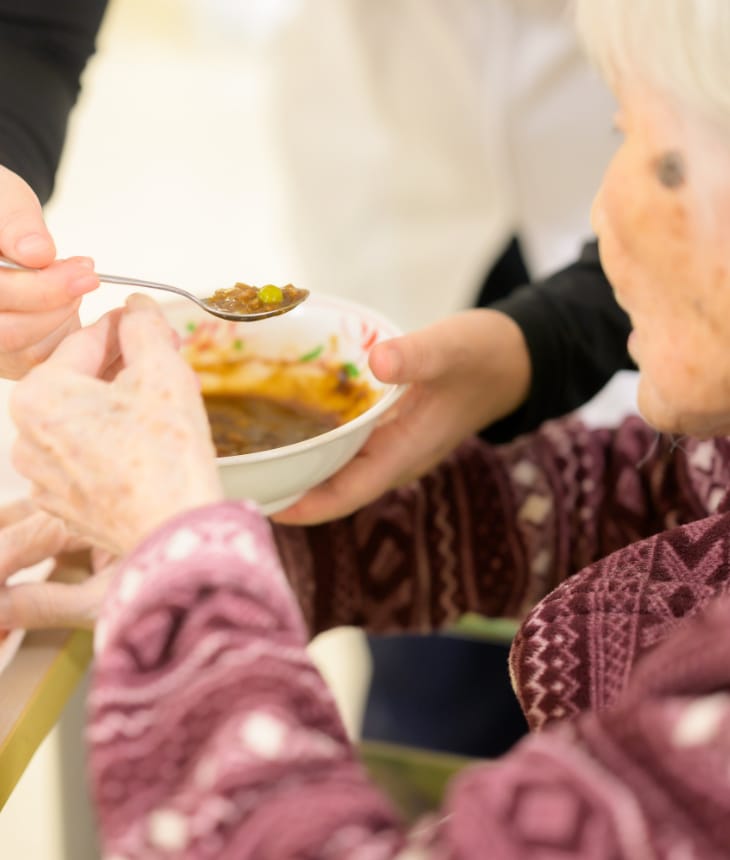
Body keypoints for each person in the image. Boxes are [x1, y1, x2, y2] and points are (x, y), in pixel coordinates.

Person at [4, 3, 730, 856]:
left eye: (658, 157)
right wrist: (264, 547)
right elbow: (648, 500)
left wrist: (187, 578)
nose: (601, 217)